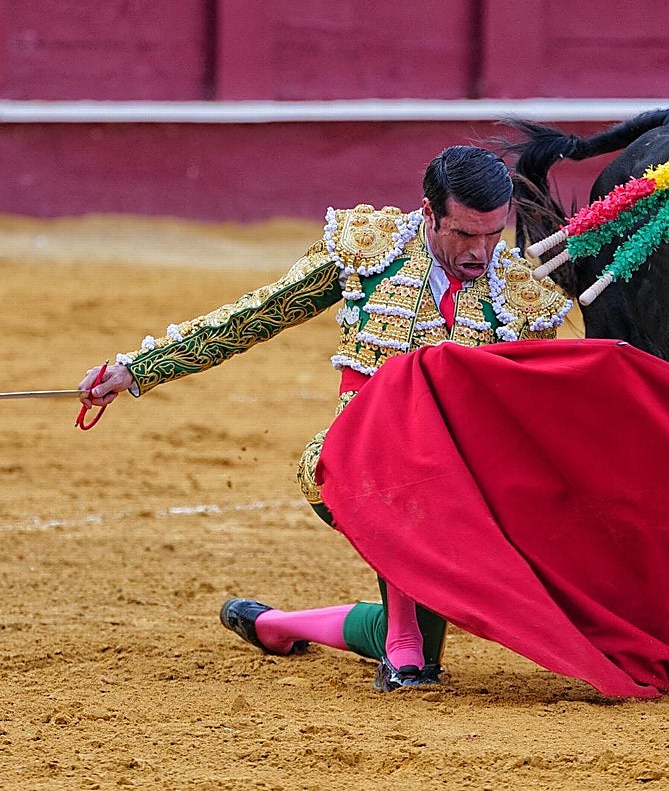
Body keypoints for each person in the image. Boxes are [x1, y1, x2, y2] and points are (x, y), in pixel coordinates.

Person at [78, 145, 574, 691]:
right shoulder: (370, 250)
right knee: (405, 470)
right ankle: (402, 641)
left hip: (462, 494)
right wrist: (140, 368)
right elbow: (258, 314)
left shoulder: (522, 297)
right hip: (348, 467)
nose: (481, 251)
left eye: (494, 235)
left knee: (419, 626)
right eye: (465, 234)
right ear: (429, 212)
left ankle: (279, 626)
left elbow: (534, 408)